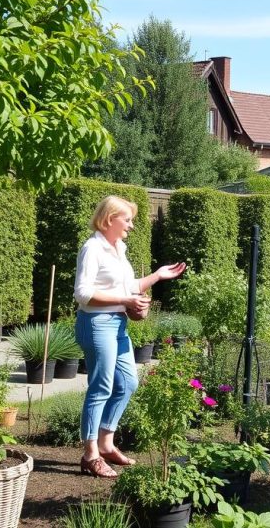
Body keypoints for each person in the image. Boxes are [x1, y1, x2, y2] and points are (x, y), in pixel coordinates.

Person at [73, 195, 187, 478]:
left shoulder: (118, 248)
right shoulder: (93, 248)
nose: (132, 226)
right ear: (110, 218)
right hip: (97, 324)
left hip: (118, 324)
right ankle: (90, 455)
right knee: (101, 387)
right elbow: (83, 293)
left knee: (128, 383)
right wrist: (126, 301)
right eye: (128, 219)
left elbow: (130, 286)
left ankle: (107, 443)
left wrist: (157, 276)